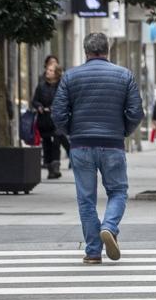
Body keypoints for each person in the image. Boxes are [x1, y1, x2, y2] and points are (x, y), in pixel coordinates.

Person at [51, 32, 144, 265]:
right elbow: (136, 112)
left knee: (86, 199)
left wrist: (72, 132)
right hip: (112, 144)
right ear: (108, 50)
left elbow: (58, 114)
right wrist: (123, 131)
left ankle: (93, 252)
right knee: (118, 191)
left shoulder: (70, 77)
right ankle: (109, 227)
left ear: (86, 51)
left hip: (81, 145)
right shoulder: (124, 76)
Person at [32, 57, 64, 178]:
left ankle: (56, 167)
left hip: (57, 119)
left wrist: (54, 107)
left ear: (56, 73)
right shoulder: (41, 86)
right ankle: (50, 168)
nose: (48, 72)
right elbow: (34, 101)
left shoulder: (62, 86)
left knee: (56, 142)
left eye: (51, 70)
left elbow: (65, 101)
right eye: (48, 70)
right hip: (44, 119)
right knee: (46, 144)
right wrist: (39, 106)